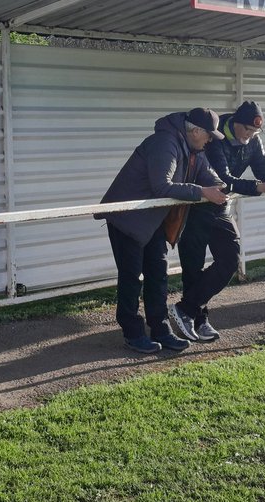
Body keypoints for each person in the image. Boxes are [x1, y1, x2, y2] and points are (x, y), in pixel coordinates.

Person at [98, 108, 229, 354]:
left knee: (158, 275)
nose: (210, 140)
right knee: (131, 278)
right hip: (127, 218)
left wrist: (220, 187)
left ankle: (161, 329)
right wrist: (202, 192)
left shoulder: (194, 150)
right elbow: (162, 186)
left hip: (153, 220)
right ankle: (133, 333)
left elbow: (210, 178)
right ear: (196, 131)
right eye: (209, 135)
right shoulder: (164, 143)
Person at [169, 101, 265, 343]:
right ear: (236, 122)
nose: (250, 135)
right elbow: (223, 180)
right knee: (193, 267)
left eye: (255, 131)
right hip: (195, 207)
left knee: (230, 258)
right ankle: (198, 318)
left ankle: (187, 310)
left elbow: (263, 171)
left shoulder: (253, 140)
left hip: (220, 208)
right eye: (247, 129)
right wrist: (262, 187)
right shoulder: (215, 137)